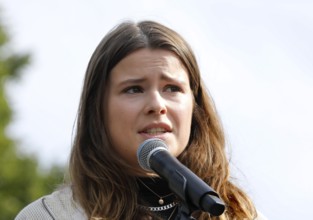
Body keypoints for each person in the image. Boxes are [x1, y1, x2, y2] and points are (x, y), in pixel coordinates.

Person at [15, 20, 266, 220]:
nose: (157, 105)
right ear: (98, 110)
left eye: (172, 88)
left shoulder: (243, 216)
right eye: (134, 89)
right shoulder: (50, 216)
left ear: (195, 106)